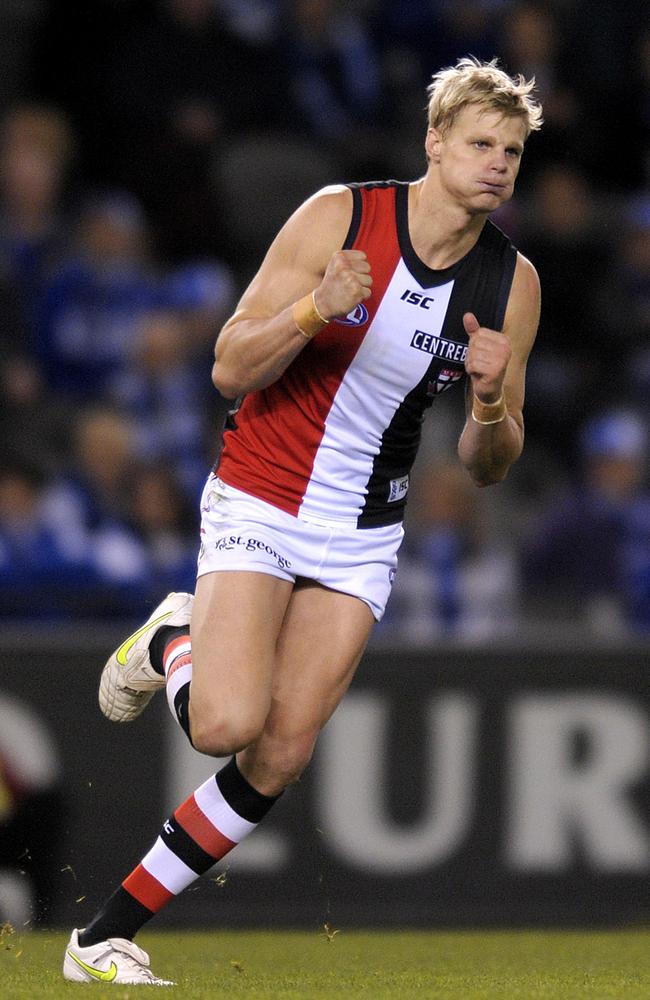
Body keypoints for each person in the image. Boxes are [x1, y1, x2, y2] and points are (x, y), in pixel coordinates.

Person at [63, 56, 542, 985]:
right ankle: (172, 640)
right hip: (264, 492)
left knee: (277, 755)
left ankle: (100, 939)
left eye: (513, 153)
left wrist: (489, 406)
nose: (497, 166)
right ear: (434, 144)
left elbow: (490, 467)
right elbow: (229, 366)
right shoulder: (341, 216)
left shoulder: (509, 284)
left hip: (365, 531)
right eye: (481, 144)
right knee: (223, 721)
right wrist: (314, 308)